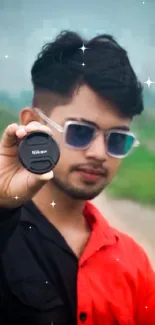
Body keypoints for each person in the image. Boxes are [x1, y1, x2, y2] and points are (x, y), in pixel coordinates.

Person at [0, 30, 154, 325]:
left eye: (117, 139)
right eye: (80, 131)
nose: (99, 153)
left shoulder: (134, 265)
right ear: (33, 125)